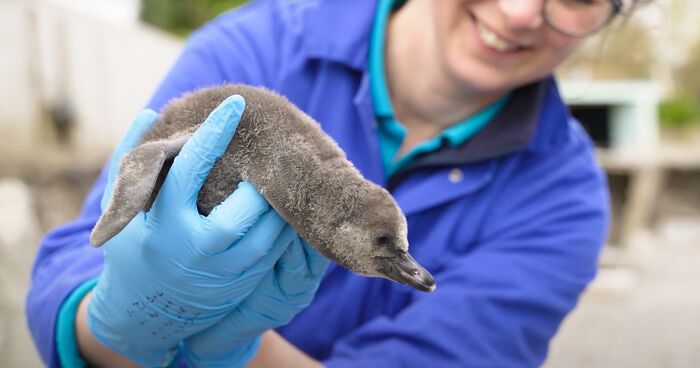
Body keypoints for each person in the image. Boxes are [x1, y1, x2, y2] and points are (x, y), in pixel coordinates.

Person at [26, 0, 648, 366]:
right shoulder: (263, 46)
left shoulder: (563, 202)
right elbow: (68, 273)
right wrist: (134, 315)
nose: (517, 13)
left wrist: (226, 349)